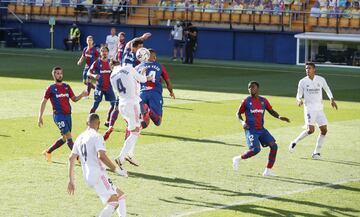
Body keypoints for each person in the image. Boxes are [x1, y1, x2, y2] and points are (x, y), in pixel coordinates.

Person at [67, 113, 127, 217]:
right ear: (98, 123)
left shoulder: (80, 138)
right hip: (98, 174)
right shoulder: (97, 136)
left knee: (120, 195)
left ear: (87, 123)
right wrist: (116, 169)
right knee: (114, 202)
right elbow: (101, 156)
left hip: (88, 176)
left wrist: (71, 181)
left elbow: (71, 158)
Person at [232, 81, 290, 176]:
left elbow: (271, 111)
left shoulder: (263, 100)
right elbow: (238, 113)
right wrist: (242, 122)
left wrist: (279, 117)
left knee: (274, 146)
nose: (251, 89)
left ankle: (268, 171)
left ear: (258, 89)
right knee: (256, 149)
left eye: (253, 87)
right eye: (249, 88)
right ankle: (237, 159)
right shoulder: (246, 101)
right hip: (251, 129)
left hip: (261, 129)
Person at [38, 67, 88, 162]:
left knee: (65, 138)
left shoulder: (67, 87)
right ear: (54, 75)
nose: (60, 75)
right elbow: (43, 102)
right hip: (58, 116)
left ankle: (48, 151)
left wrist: (81, 95)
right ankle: (79, 157)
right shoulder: (50, 88)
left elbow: (74, 99)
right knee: (69, 136)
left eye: (61, 73)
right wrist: (40, 116)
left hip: (68, 115)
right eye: (57, 73)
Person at [289, 62, 338, 159]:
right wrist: (299, 100)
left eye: (309, 68)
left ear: (314, 69)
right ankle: (294, 142)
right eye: (306, 68)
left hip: (319, 109)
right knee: (311, 130)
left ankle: (316, 153)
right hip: (309, 109)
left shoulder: (320, 79)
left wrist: (331, 99)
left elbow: (327, 89)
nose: (307, 70)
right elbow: (298, 95)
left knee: (324, 130)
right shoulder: (302, 81)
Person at [110, 56, 149, 170]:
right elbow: (142, 80)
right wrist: (146, 75)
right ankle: (122, 157)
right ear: (120, 63)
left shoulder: (112, 76)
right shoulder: (127, 68)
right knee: (136, 131)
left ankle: (129, 154)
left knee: (136, 129)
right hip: (132, 104)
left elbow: (125, 87)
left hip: (122, 104)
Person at [87, 46, 119, 140]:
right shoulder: (97, 62)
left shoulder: (111, 62)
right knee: (95, 105)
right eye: (102, 51)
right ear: (100, 53)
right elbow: (89, 72)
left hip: (109, 87)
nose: (104, 53)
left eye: (105, 51)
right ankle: (89, 122)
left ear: (108, 52)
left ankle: (107, 120)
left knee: (114, 105)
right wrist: (93, 75)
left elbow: (119, 68)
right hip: (99, 87)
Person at [140, 48, 175, 130]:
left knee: (144, 121)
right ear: (154, 57)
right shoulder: (160, 66)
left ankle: (145, 112)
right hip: (155, 93)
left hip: (141, 94)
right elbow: (168, 81)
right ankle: (148, 110)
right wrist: (171, 92)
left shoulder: (139, 66)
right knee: (158, 121)